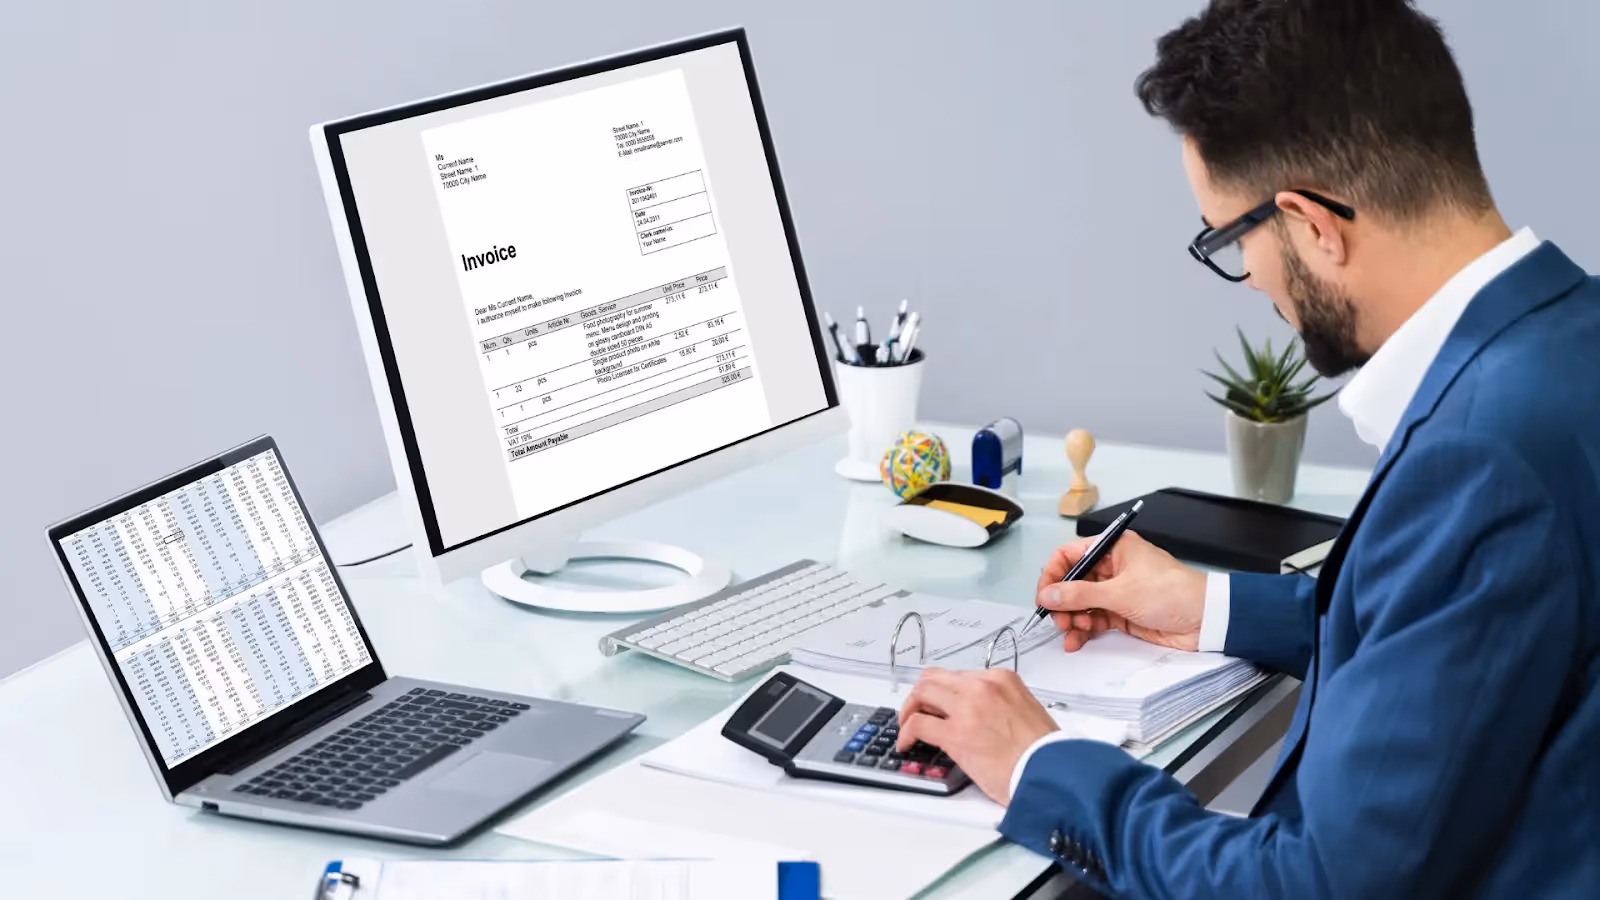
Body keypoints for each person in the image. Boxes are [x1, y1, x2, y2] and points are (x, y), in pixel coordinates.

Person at [893, 1, 1600, 896]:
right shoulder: (1569, 344)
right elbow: (1461, 635)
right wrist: (1208, 606)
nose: (1252, 278)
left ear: (1311, 225)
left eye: (1229, 239)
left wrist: (1042, 763)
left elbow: (1317, 885)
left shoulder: (1482, 454)